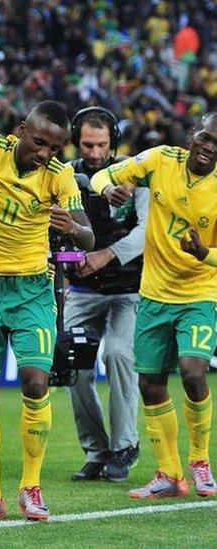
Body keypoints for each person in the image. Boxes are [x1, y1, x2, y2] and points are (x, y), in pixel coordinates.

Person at [0, 101, 95, 524]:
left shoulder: (60, 176)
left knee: (36, 381)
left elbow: (87, 236)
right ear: (22, 129)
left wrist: (72, 228)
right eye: (38, 142)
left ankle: (31, 487)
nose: (44, 153)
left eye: (54, 148)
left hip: (33, 291)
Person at [91, 112, 217, 500]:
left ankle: (199, 460)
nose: (210, 147)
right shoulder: (161, 159)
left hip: (199, 293)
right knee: (150, 383)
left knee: (193, 372)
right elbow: (103, 177)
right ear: (192, 132)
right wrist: (105, 190)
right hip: (154, 295)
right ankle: (169, 472)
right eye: (206, 137)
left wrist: (204, 253)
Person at [64, 107, 145, 482]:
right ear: (75, 141)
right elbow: (57, 235)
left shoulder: (137, 174)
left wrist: (104, 255)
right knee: (72, 368)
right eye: (86, 145)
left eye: (101, 145)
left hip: (129, 289)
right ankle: (97, 451)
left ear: (113, 140)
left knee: (117, 353)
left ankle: (124, 445)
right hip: (82, 289)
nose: (95, 153)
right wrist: (72, 258)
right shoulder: (66, 178)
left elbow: (146, 232)